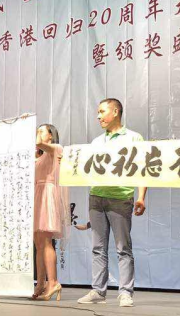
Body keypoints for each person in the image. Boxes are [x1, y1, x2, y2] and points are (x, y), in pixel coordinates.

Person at [77, 98, 147, 307]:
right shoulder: (97, 142)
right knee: (98, 247)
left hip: (120, 197)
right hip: (96, 197)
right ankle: (98, 291)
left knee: (123, 248)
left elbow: (142, 169)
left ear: (115, 112)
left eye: (102, 111)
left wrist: (141, 196)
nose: (98, 116)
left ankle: (125, 292)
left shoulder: (134, 138)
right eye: (97, 113)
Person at [31, 123, 70, 302]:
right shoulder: (38, 157)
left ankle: (53, 282)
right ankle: (40, 283)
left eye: (41, 131)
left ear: (51, 135)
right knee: (38, 242)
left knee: (46, 241)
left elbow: (39, 143)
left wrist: (31, 125)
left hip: (47, 195)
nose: (38, 134)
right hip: (37, 195)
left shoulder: (56, 149)